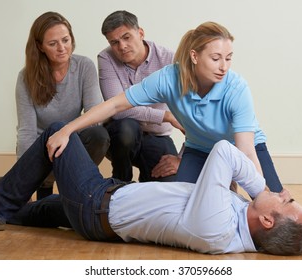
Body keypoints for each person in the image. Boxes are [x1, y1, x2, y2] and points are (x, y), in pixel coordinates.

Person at [0, 122, 302, 255]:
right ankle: (6, 207)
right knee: (40, 211)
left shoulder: (217, 227)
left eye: (286, 201)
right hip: (111, 209)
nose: (282, 192)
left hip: (97, 204)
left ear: (270, 222)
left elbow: (225, 151)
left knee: (58, 133)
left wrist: (259, 189)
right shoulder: (248, 228)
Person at [45, 21, 283, 192]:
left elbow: (246, 150)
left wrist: (263, 197)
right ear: (194, 56)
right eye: (216, 58)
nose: (224, 66)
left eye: (228, 58)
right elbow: (115, 105)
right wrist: (66, 130)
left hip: (241, 147)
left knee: (273, 202)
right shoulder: (168, 78)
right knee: (183, 206)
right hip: (199, 149)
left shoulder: (236, 87)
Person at [15, 11, 110, 199]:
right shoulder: (26, 77)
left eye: (66, 40)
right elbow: (26, 130)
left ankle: (75, 187)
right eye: (52, 44)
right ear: (40, 47)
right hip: (42, 147)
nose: (62, 48)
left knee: (99, 135)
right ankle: (45, 185)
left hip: (73, 140)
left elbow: (94, 115)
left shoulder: (84, 66)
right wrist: (23, 172)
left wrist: (66, 135)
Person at [98, 10, 179, 182]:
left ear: (140, 33)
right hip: (120, 134)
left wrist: (182, 157)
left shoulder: (170, 60)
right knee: (127, 128)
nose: (122, 46)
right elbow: (118, 111)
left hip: (156, 135)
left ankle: (144, 189)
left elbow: (195, 114)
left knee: (171, 180)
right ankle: (121, 182)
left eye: (126, 37)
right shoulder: (106, 58)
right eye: (114, 42)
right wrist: (166, 116)